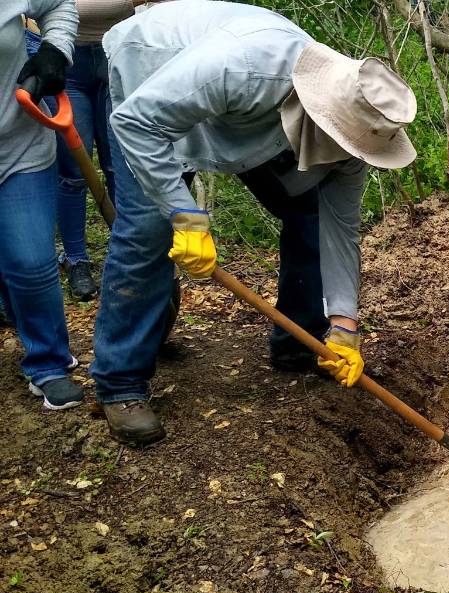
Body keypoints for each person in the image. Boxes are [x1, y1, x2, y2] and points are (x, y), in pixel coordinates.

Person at [92, 0, 417, 446]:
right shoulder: (244, 67)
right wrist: (184, 214)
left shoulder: (359, 130)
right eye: (342, 144)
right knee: (149, 228)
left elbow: (341, 230)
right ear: (321, 118)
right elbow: (136, 122)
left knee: (311, 213)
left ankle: (301, 342)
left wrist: (345, 324)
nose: (348, 157)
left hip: (246, 114)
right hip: (153, 71)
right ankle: (121, 383)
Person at [2, 0, 85, 410]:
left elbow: (59, 5)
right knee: (9, 264)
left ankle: (48, 364)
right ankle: (24, 320)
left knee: (31, 262)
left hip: (19, 147)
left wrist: (55, 48)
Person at [53, 0, 144, 300]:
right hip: (66, 59)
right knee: (73, 168)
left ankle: (124, 257)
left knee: (118, 164)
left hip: (117, 52)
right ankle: (76, 260)